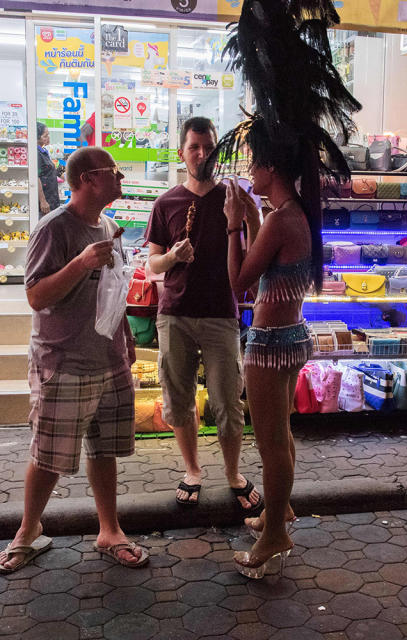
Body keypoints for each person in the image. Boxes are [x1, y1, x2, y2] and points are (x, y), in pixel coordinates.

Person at [209, 0, 360, 579]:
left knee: (271, 441)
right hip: (289, 334)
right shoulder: (290, 214)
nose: (248, 167)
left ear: (272, 165)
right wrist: (250, 215)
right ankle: (283, 508)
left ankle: (273, 533)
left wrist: (232, 222)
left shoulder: (279, 218)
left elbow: (240, 281)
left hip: (271, 342)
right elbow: (266, 265)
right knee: (283, 435)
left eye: (253, 161)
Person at [0, 147, 147, 574]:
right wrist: (80, 263)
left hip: (109, 360)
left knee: (104, 450)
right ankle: (27, 531)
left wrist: (127, 339)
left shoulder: (112, 228)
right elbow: (36, 296)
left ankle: (109, 529)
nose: (119, 177)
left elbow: (113, 293)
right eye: (111, 172)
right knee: (49, 454)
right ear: (85, 179)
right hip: (63, 361)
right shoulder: (54, 229)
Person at [145, 116, 261, 512]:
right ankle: (192, 470)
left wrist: (248, 217)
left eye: (208, 147)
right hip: (174, 313)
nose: (201, 154)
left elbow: (249, 256)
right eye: (194, 147)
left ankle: (233, 473)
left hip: (220, 314)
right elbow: (151, 267)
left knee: (228, 399)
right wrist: (173, 257)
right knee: (179, 399)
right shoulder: (167, 203)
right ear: (182, 153)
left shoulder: (232, 198)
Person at [36, 122, 60, 215]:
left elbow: (50, 169)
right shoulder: (37, 153)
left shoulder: (44, 151)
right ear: (37, 138)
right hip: (45, 202)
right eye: (45, 135)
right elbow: (36, 177)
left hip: (51, 199)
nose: (48, 137)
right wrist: (43, 201)